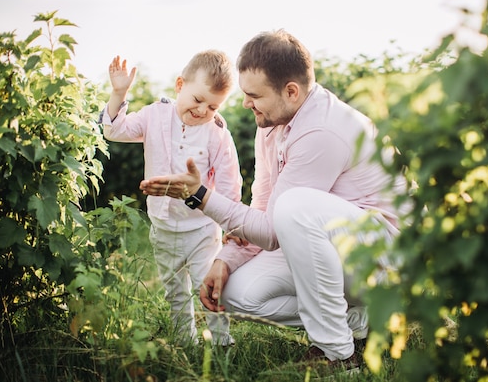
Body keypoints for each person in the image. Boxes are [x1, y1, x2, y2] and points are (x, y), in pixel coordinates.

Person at [139, 30, 411, 370]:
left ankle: (337, 354)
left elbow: (271, 230)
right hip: (337, 246)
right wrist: (226, 260)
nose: (245, 103)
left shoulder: (321, 129)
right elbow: (263, 207)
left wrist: (199, 195)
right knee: (236, 293)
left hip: (388, 259)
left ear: (291, 91)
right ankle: (361, 321)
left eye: (254, 95)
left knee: (294, 207)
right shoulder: (270, 124)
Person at [99, 52, 242, 346]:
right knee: (174, 290)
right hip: (163, 225)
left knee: (211, 288)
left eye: (213, 106)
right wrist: (119, 93)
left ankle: (222, 342)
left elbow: (229, 185)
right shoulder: (154, 115)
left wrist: (232, 229)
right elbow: (114, 130)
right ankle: (184, 342)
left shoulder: (218, 136)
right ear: (180, 85)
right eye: (198, 99)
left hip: (203, 229)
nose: (203, 110)